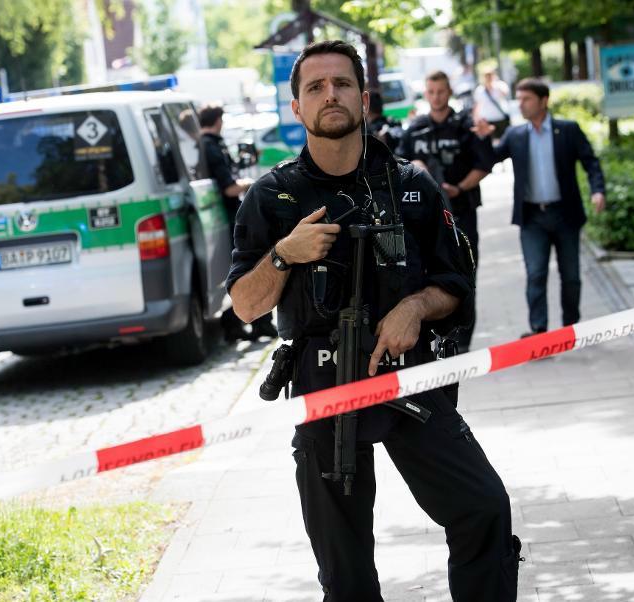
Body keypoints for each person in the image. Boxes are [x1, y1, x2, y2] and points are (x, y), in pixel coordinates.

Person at [227, 40, 520, 601]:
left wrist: (415, 307)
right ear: (296, 107)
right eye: (315, 87)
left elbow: (455, 282)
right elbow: (244, 304)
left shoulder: (409, 183)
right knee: (346, 566)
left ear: (363, 99)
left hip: (405, 374)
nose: (328, 95)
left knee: (483, 507)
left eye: (340, 84)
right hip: (322, 382)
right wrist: (287, 252)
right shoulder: (272, 196)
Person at [474, 78, 605, 337]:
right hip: (532, 217)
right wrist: (484, 139)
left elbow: (591, 162)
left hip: (565, 214)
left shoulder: (567, 130)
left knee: (571, 277)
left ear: (543, 101)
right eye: (519, 99)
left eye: (526, 99)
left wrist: (598, 190)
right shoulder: (516, 135)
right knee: (535, 274)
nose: (520, 104)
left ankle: (571, 327)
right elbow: (491, 161)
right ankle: (539, 331)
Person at [397, 70, 492, 353]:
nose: (436, 97)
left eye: (440, 91)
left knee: (465, 275)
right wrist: (415, 165)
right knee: (426, 278)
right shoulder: (415, 128)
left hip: (461, 213)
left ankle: (462, 342)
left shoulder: (465, 125)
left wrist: (460, 188)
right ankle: (433, 340)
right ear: (425, 94)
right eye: (431, 91)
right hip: (423, 221)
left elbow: (483, 163)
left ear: (449, 92)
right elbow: (399, 163)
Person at [199, 104, 277, 342]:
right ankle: (242, 321)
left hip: (219, 218)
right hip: (227, 216)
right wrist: (253, 183)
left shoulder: (206, 145)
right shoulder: (211, 147)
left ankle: (255, 322)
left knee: (247, 267)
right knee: (251, 267)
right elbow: (230, 188)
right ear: (218, 120)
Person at [473, 67, 512, 141]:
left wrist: (494, 85)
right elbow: (477, 106)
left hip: (501, 118)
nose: (488, 78)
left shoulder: (500, 85)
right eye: (486, 76)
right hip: (488, 119)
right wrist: (476, 119)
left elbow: (505, 93)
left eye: (490, 75)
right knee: (490, 141)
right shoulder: (480, 90)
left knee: (505, 140)